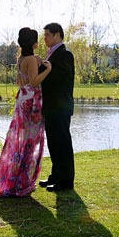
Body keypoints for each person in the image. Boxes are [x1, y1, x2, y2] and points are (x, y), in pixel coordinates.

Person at [0, 27, 52, 198]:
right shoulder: (31, 59)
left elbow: (20, 81)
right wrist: (48, 69)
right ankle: (23, 182)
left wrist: (37, 62)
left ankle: (18, 179)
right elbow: (34, 82)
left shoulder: (22, 59)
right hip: (31, 102)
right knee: (30, 141)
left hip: (22, 100)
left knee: (21, 140)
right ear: (34, 43)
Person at [38, 22, 76, 192]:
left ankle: (66, 181)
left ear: (58, 35)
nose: (44, 38)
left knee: (62, 143)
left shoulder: (65, 54)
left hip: (60, 107)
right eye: (44, 35)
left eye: (47, 35)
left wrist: (45, 69)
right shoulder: (52, 54)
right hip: (52, 107)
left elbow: (61, 78)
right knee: (54, 143)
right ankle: (56, 176)